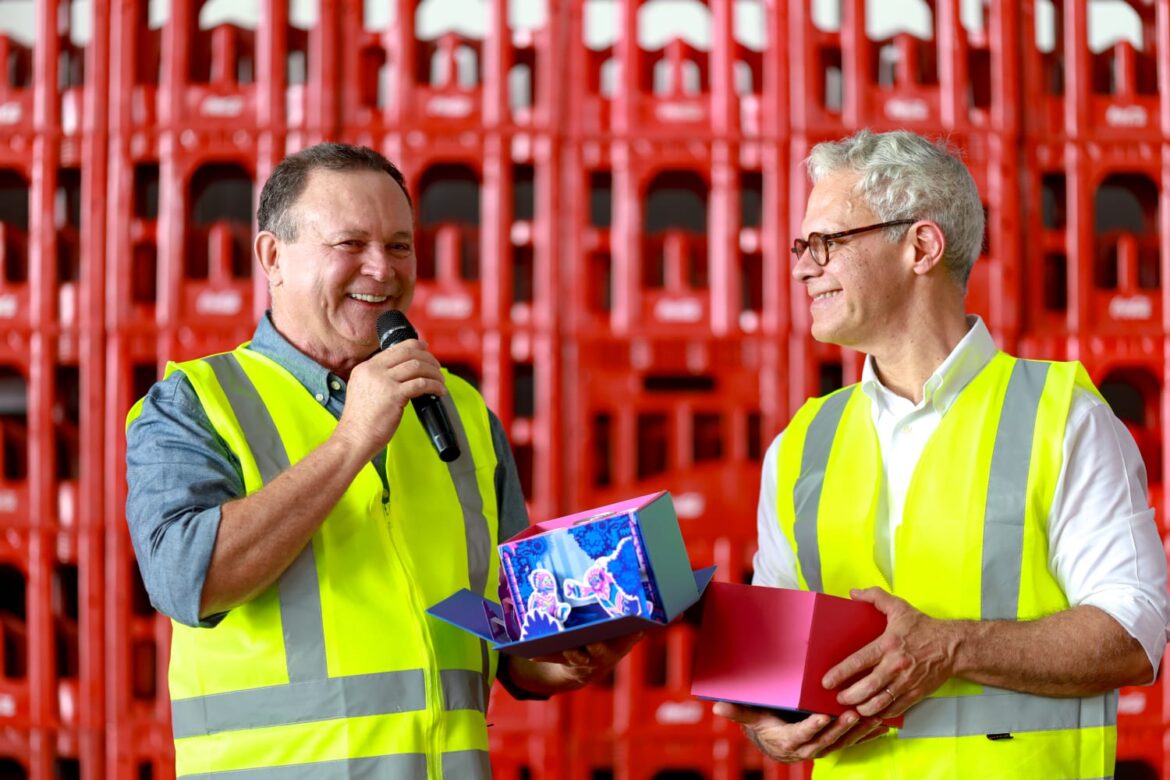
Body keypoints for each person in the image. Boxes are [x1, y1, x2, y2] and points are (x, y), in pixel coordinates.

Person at [125, 142, 636, 778]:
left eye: (399, 246)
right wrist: (350, 441)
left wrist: (552, 660)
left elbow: (507, 628)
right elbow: (184, 582)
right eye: (350, 244)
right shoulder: (193, 404)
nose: (382, 270)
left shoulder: (463, 412)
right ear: (272, 256)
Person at [715, 129, 1170, 778]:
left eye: (825, 243)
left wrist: (951, 647)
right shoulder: (800, 445)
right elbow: (775, 673)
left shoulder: (1063, 417)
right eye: (799, 246)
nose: (800, 267)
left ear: (921, 247)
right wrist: (767, 722)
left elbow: (1136, 632)